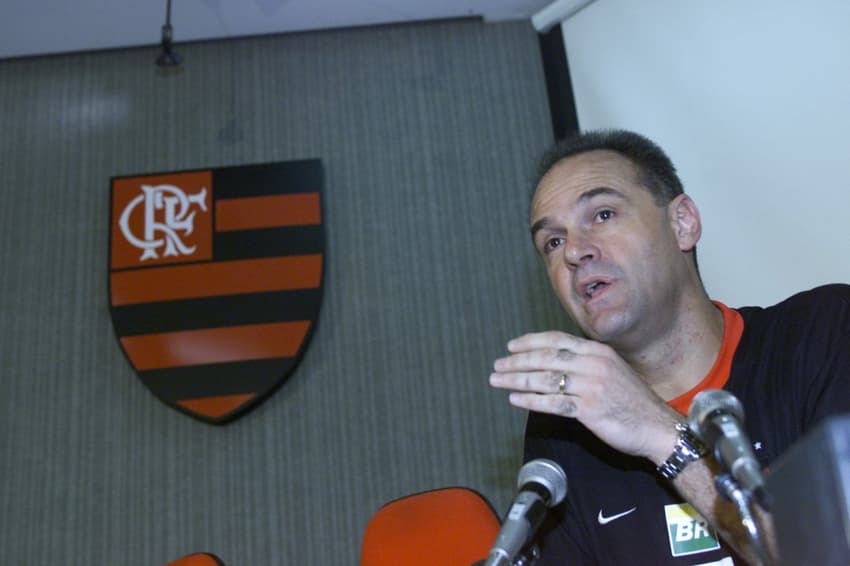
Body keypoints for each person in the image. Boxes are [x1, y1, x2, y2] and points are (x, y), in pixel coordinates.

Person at [488, 129, 850, 565]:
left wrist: (661, 435)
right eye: (553, 241)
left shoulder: (823, 332)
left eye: (602, 215)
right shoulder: (565, 429)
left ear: (683, 223)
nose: (575, 252)